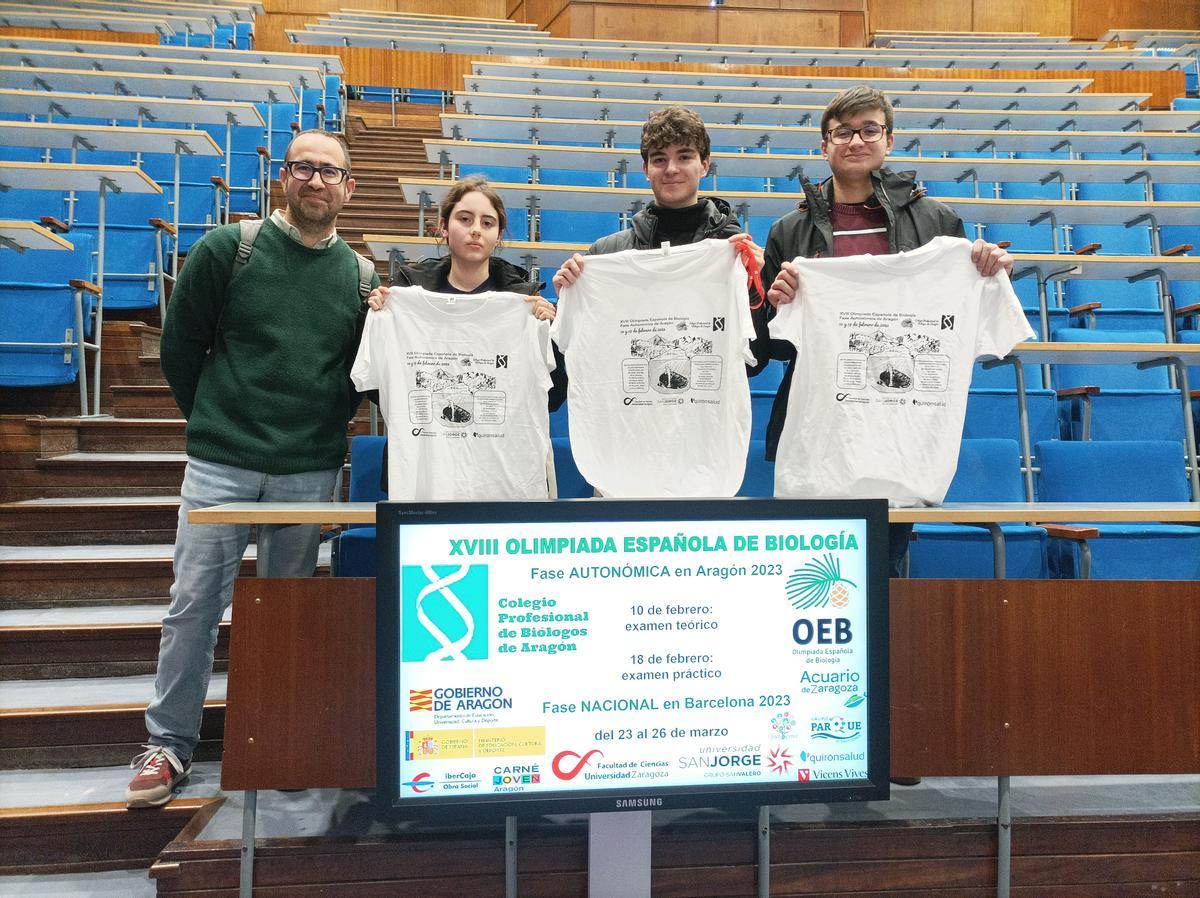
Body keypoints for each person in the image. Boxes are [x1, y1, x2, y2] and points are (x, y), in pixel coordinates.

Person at [125, 129, 378, 808]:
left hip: (307, 470)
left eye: (330, 171)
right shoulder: (227, 249)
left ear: (349, 188)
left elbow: (362, 376)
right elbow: (181, 348)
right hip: (221, 464)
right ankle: (168, 745)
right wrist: (216, 421)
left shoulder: (361, 278)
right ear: (283, 178)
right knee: (193, 606)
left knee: (285, 614)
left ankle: (278, 739)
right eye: (303, 168)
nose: (316, 181)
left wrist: (321, 433)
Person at [760, 85, 1014, 584]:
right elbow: (771, 347)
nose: (856, 141)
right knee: (814, 575)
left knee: (881, 578)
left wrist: (992, 271)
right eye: (842, 132)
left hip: (900, 430)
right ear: (824, 145)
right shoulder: (789, 231)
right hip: (819, 430)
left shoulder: (937, 222)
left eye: (869, 130)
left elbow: (959, 321)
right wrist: (778, 303)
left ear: (889, 140)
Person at [362, 175, 565, 492]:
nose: (476, 230)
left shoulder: (524, 303)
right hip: (425, 475)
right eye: (465, 219)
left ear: (498, 235)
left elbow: (551, 397)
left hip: (498, 478)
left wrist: (549, 336)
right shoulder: (404, 297)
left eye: (487, 222)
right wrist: (382, 320)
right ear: (444, 227)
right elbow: (381, 388)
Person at [551, 106, 767, 362]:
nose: (671, 169)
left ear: (704, 165)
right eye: (659, 159)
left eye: (684, 157)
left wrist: (753, 288)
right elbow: (582, 353)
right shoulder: (605, 254)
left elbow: (754, 361)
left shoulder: (734, 254)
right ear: (646, 169)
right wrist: (569, 300)